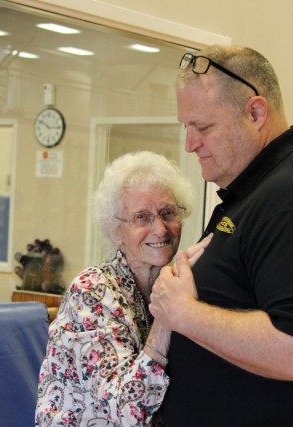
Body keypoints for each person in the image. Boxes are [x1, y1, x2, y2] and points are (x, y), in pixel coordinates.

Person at [149, 45, 293, 426]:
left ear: (256, 113)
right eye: (186, 127)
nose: (190, 143)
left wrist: (185, 314)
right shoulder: (262, 191)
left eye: (203, 127)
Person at [35, 151, 212, 426]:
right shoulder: (91, 291)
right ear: (116, 231)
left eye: (168, 213)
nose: (161, 229)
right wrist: (169, 314)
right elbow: (127, 411)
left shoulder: (174, 283)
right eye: (142, 217)